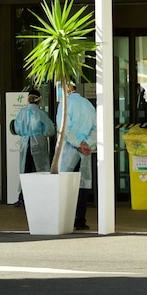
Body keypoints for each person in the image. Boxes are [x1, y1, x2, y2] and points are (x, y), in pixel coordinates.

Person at [57, 82, 97, 231]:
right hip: (85, 150)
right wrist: (87, 143)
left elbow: (63, 128)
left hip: (70, 149)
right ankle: (80, 219)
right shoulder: (88, 104)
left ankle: (65, 218)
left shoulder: (65, 104)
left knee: (66, 184)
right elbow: (96, 127)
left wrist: (77, 143)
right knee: (83, 184)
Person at [12, 88, 56, 207]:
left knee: (25, 169)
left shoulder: (21, 112)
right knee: (40, 169)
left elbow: (17, 129)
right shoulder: (41, 113)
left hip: (25, 142)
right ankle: (40, 196)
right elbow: (50, 130)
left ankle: (23, 198)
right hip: (38, 142)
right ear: (39, 100)